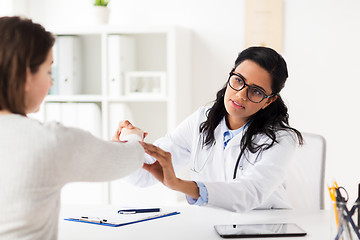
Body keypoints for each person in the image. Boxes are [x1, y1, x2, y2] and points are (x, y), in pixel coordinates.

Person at [0, 16, 145, 239]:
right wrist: (133, 136)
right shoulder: (49, 141)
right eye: (49, 72)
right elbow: (127, 158)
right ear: (26, 75)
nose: (52, 83)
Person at [116, 46, 304, 213]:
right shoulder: (202, 119)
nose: (240, 95)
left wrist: (180, 185)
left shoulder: (281, 139)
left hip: (266, 227)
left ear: (269, 100)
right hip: (213, 224)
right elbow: (141, 176)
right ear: (231, 74)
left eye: (256, 91)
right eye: (239, 80)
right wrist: (128, 143)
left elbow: (249, 193)